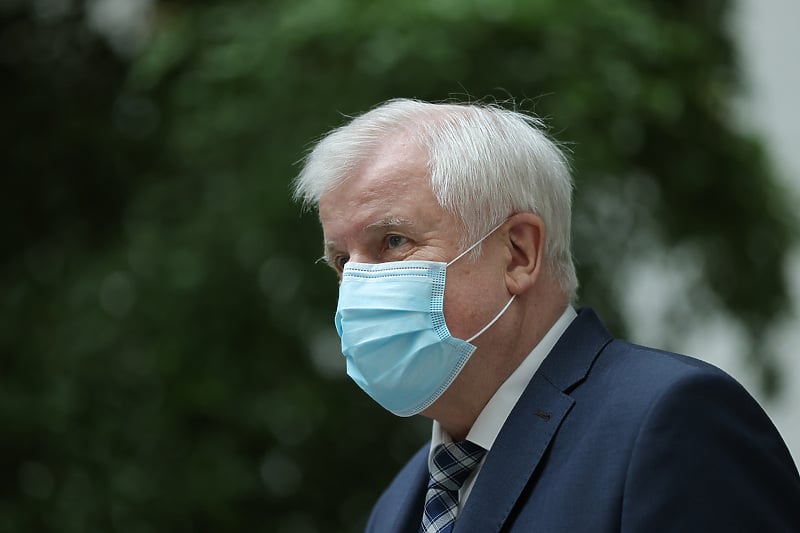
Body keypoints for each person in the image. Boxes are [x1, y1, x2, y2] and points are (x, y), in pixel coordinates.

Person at [293, 98, 800, 532]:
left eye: (394, 241)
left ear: (518, 253)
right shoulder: (399, 503)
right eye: (341, 260)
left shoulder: (672, 422)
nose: (356, 287)